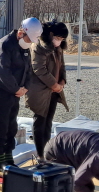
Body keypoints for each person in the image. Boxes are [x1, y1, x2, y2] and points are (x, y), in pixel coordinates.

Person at [0, 17, 42, 170]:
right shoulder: (4, 45)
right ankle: (1, 159)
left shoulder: (23, 47)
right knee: (2, 126)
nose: (30, 43)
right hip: (2, 91)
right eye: (29, 39)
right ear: (21, 32)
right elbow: (3, 72)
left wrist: (25, 87)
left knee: (12, 125)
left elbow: (28, 69)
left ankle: (8, 156)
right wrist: (16, 88)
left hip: (16, 92)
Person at [26, 20, 69, 157]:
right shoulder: (38, 46)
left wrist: (62, 81)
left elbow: (62, 66)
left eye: (62, 39)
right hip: (39, 90)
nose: (59, 41)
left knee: (48, 122)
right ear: (50, 34)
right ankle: (41, 154)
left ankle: (47, 152)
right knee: (40, 121)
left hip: (54, 91)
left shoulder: (58, 48)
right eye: (58, 38)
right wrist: (54, 85)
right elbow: (39, 68)